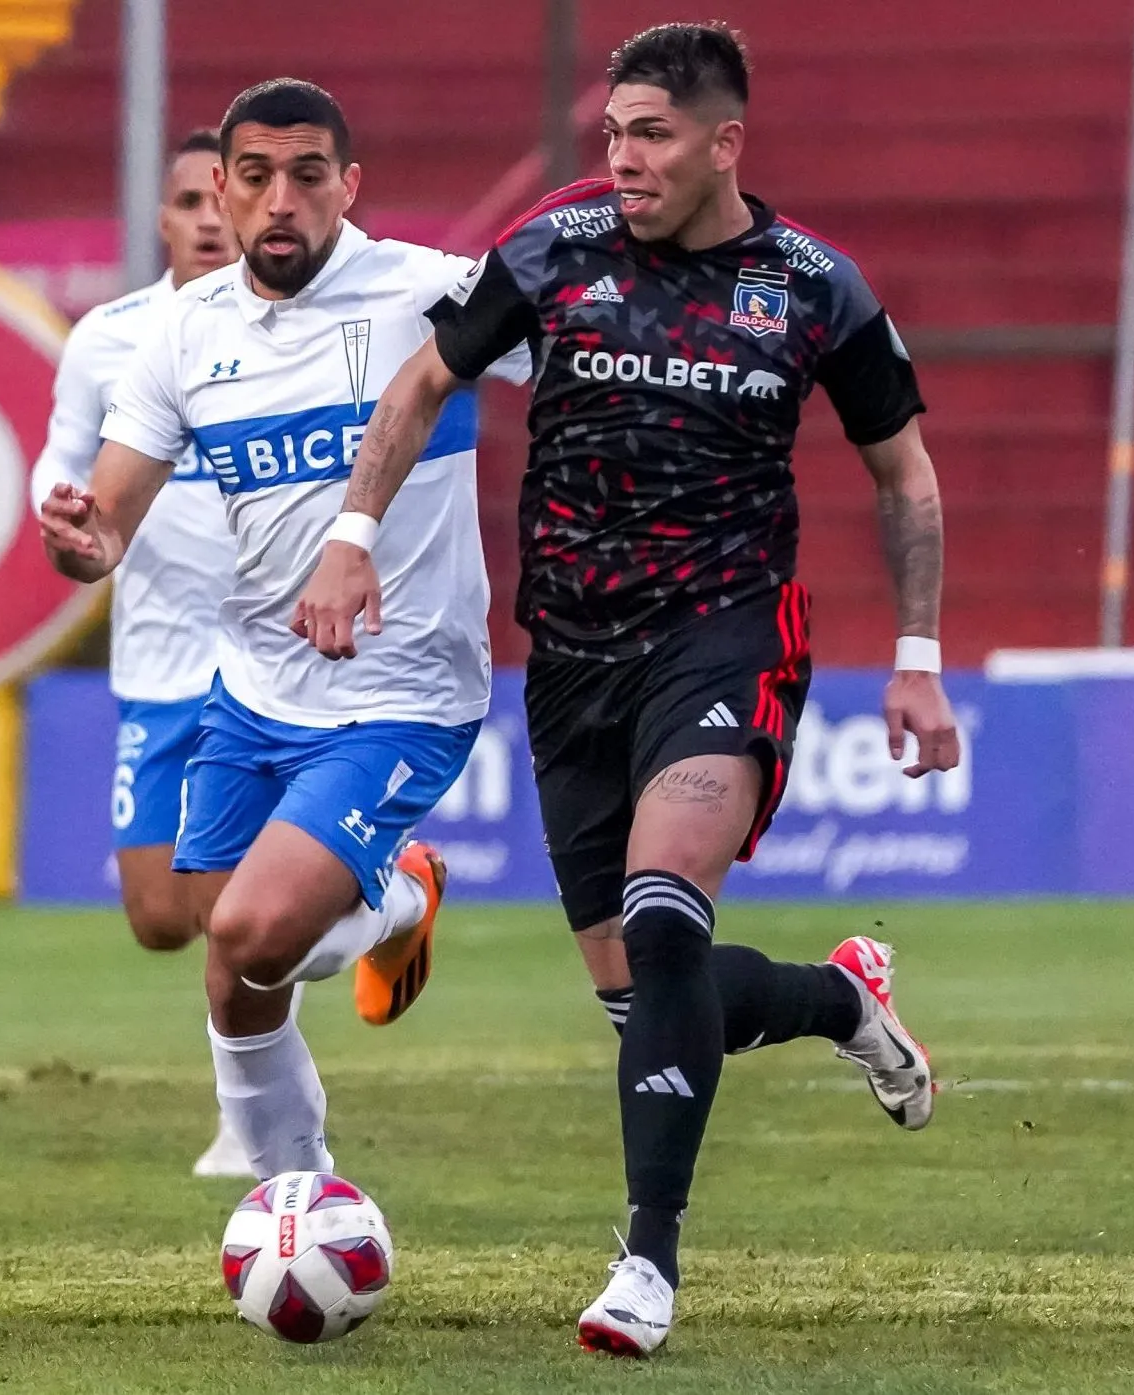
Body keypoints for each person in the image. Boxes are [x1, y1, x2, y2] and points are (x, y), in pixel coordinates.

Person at [292, 23, 957, 1355]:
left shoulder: (811, 285)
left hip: (724, 636)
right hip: (572, 657)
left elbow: (903, 475)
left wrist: (918, 658)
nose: (623, 158)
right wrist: (350, 535)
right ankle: (839, 1000)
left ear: (724, 144)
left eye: (650, 135)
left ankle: (643, 1261)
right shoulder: (552, 250)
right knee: (639, 989)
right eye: (611, 133)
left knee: (663, 915)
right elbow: (424, 379)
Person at [37, 79, 526, 1179]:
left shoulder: (426, 289)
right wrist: (81, 540)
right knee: (222, 946)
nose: (278, 201)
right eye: (253, 177)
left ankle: (304, 1191)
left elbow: (574, 353)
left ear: (347, 187)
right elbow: (107, 515)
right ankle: (295, 1194)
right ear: (221, 188)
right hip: (251, 691)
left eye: (308, 176)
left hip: (401, 689)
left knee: (252, 931)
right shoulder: (174, 335)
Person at [29, 128, 248, 1176]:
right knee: (159, 917)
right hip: (155, 656)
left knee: (227, 911)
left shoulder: (296, 330)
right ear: (159, 220)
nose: (209, 216)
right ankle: (380, 901)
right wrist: (59, 509)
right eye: (188, 200)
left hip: (267, 658)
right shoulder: (110, 338)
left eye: (225, 194)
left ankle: (248, 1118)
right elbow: (60, 459)